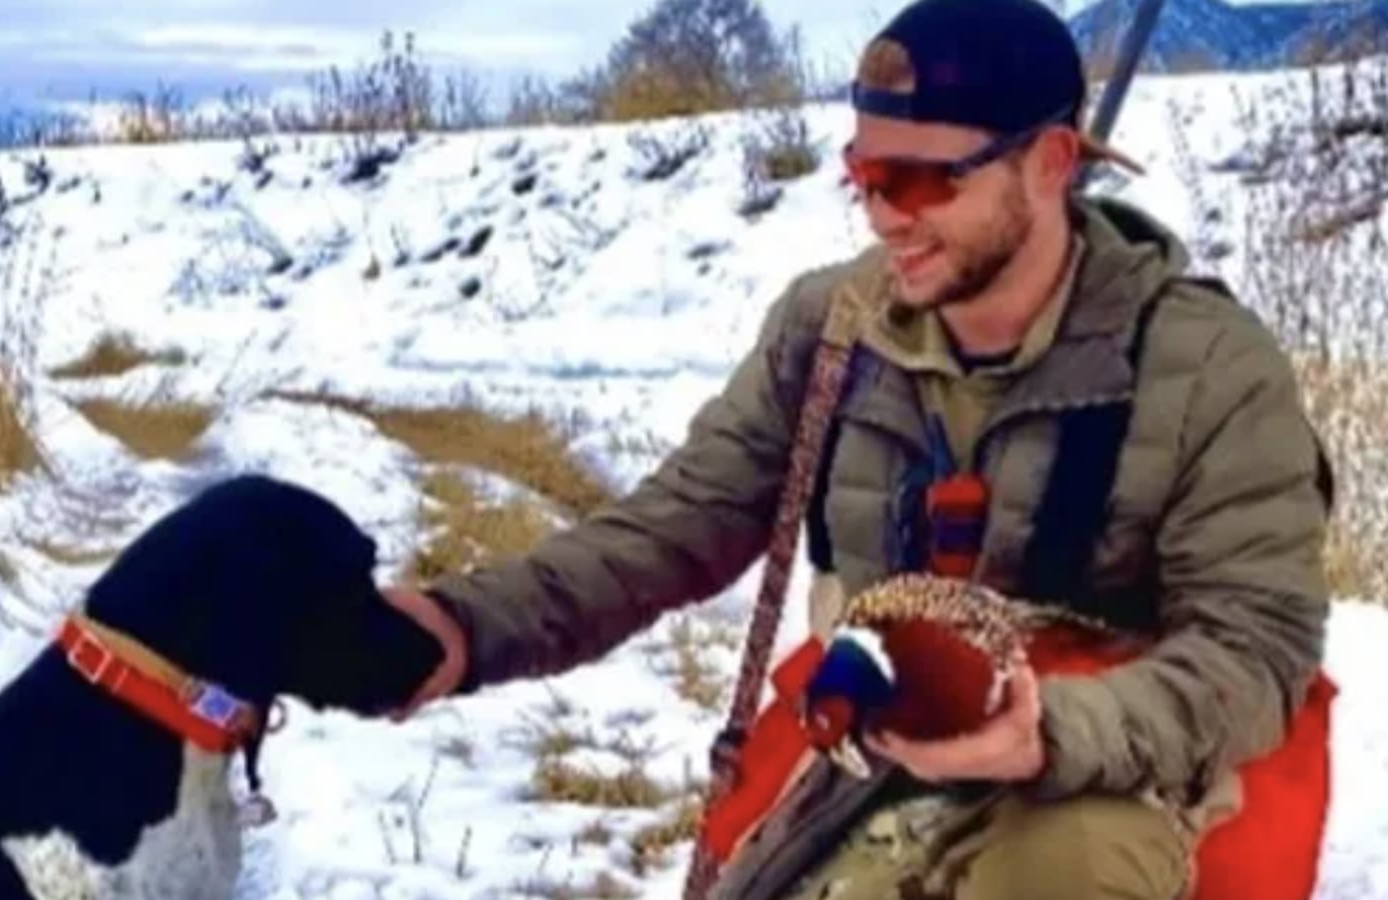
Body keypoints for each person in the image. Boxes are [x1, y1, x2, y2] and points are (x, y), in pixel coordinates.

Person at [377, 0, 1334, 896]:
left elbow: (1256, 647)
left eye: (923, 180)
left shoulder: (1208, 366)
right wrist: (463, 631)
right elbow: (674, 527)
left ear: (1049, 162)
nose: (882, 213)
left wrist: (1049, 733)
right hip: (871, 740)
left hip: (1116, 766)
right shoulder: (831, 328)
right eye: (864, 175)